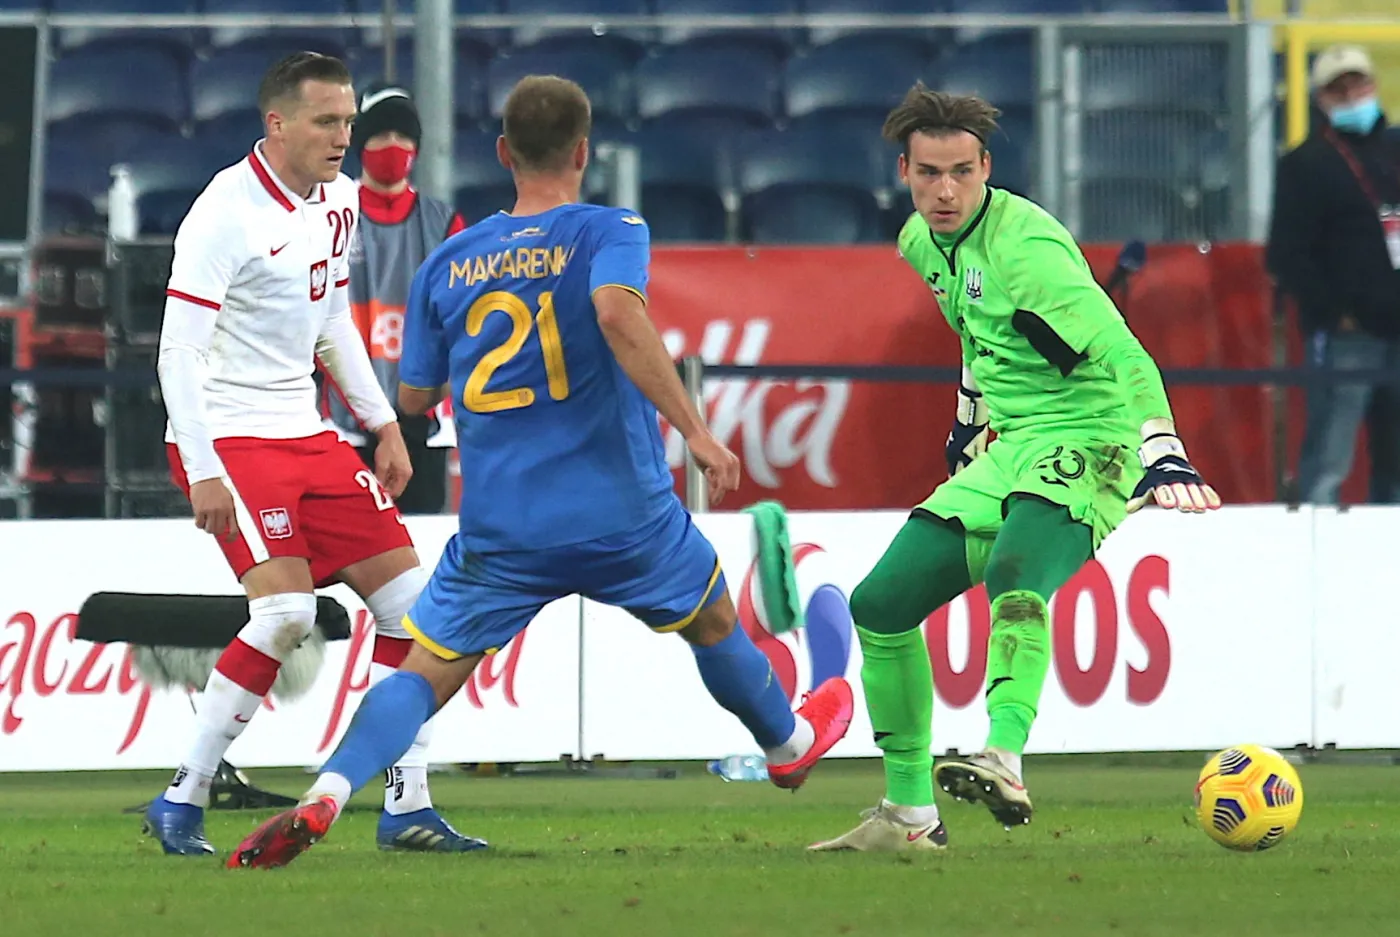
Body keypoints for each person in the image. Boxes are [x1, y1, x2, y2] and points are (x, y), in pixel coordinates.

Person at [227, 75, 854, 870]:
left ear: (503, 154)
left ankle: (329, 788)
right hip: (621, 511)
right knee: (714, 623)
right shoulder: (609, 228)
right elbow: (620, 314)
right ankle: (789, 741)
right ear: (584, 153)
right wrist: (696, 431)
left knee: (423, 671)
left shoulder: (447, 261)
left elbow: (414, 394)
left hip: (503, 524)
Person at [810, 84, 1221, 854]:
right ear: (904, 169)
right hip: (1011, 444)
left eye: (961, 171)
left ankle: (1002, 754)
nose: (945, 190)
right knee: (882, 602)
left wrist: (1160, 446)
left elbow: (1122, 348)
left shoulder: (1027, 250)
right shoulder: (919, 242)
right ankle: (907, 814)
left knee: (1016, 570)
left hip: (1092, 433)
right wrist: (968, 419)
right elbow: (976, 331)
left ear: (986, 167)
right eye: (929, 172)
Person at [146, 52, 483, 857]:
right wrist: (202, 468)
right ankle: (182, 795)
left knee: (419, 611)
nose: (346, 138)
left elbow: (331, 319)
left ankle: (408, 804)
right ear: (278, 125)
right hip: (231, 436)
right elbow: (176, 353)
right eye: (329, 122)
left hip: (310, 433)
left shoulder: (337, 201)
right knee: (288, 613)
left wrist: (385, 422)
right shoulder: (222, 214)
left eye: (348, 121)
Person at [324, 80, 466, 515]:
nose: (394, 145)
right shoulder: (331, 213)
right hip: (345, 421)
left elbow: (460, 322)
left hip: (423, 420)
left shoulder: (444, 223)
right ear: (360, 141)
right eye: (382, 134)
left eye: (403, 135)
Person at [1267, 45, 1400, 505]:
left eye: (1357, 84)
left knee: (1396, 459)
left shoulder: (1396, 149)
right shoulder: (1306, 164)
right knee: (1330, 456)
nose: (1351, 95)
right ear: (1320, 98)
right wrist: (1332, 312)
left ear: (1373, 85)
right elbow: (1286, 254)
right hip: (1348, 334)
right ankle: (1314, 557)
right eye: (1338, 88)